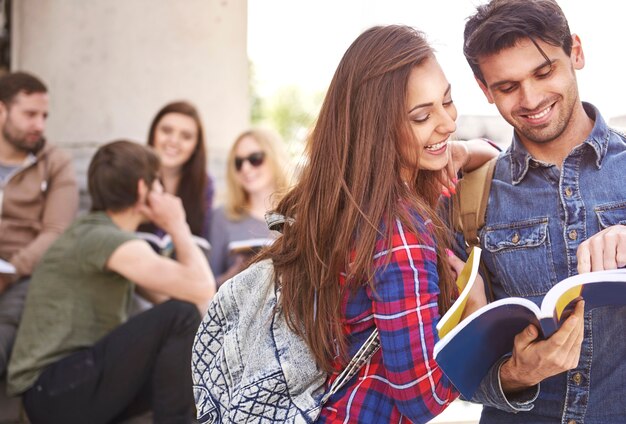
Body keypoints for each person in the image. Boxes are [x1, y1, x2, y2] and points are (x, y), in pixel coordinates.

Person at [255, 25, 497, 423]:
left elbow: (492, 150)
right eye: (422, 116)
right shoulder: (400, 231)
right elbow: (422, 399)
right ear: (378, 127)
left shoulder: (341, 201)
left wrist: (459, 150)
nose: (448, 123)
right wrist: (476, 313)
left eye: (448, 101)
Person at [460, 0, 625, 422]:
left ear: (576, 52)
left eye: (544, 71)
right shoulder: (469, 198)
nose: (531, 99)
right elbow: (456, 369)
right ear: (484, 90)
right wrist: (516, 374)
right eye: (507, 87)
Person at [7, 140, 215, 423]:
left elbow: (182, 300)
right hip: (50, 392)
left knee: (180, 330)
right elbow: (200, 288)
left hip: (68, 388)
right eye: (158, 184)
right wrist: (178, 224)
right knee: (181, 316)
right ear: (143, 189)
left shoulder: (102, 237)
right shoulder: (103, 238)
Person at [0, 71, 78, 377]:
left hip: (23, 275)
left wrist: (11, 271)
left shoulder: (56, 162)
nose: (40, 125)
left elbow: (55, 232)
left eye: (44, 115)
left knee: (5, 328)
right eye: (30, 114)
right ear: (2, 110)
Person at [209, 128, 291, 286]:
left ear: (275, 157)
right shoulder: (222, 217)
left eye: (255, 159)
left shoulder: (300, 215)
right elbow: (207, 287)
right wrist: (231, 276)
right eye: (238, 162)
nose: (246, 168)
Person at [143, 100, 214, 242]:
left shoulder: (205, 184)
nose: (174, 141)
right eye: (166, 131)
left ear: (196, 146)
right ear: (153, 134)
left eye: (186, 136)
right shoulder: (132, 175)